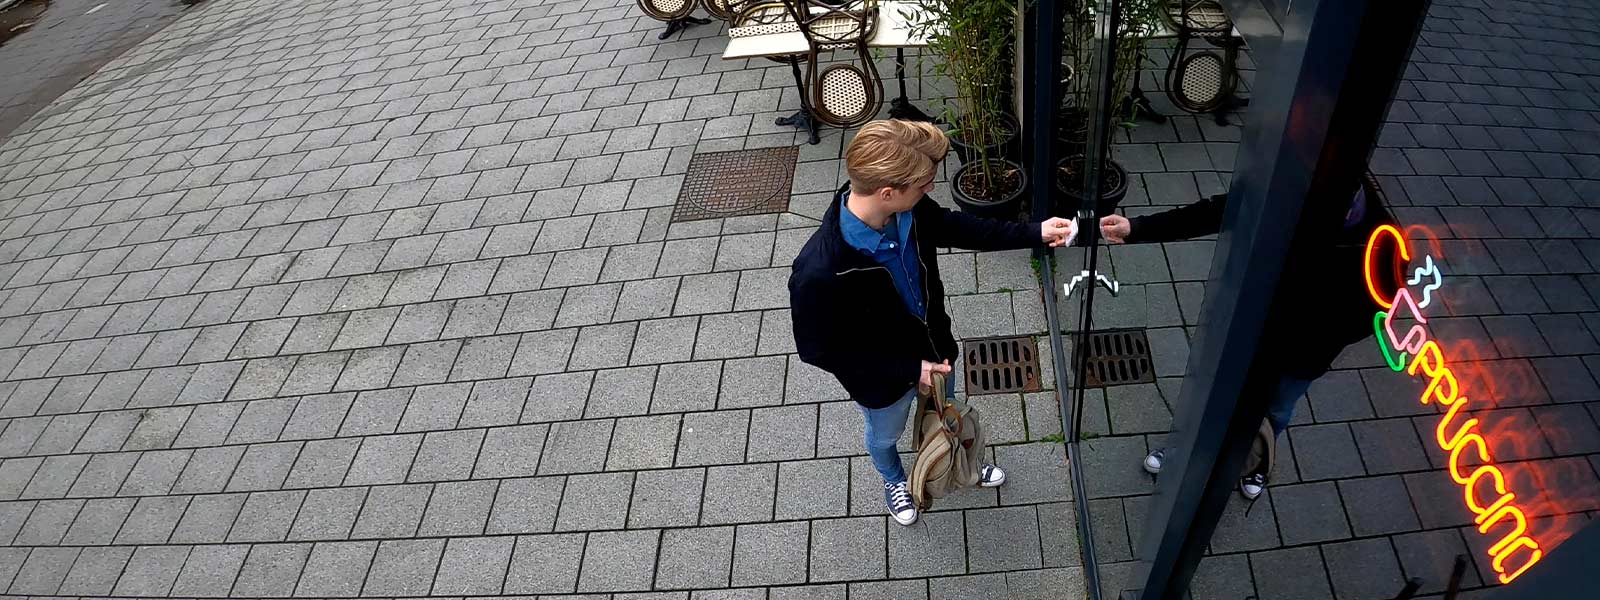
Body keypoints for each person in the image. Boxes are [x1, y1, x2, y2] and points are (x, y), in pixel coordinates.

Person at [789, 119, 1077, 526]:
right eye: (924, 185)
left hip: (937, 349)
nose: (931, 190)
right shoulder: (819, 271)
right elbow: (819, 350)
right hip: (884, 382)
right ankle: (894, 479)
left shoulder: (908, 212)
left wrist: (1034, 232)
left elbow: (957, 227)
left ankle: (958, 461)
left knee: (946, 412)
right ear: (888, 193)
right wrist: (909, 369)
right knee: (885, 434)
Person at [1100, 178, 1401, 499]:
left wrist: (1306, 330)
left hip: (1301, 353)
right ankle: (1183, 450)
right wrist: (1138, 228)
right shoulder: (1292, 188)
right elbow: (1220, 211)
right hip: (1248, 332)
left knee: (1277, 410)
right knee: (1212, 397)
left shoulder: (1382, 242)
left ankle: (1257, 459)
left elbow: (1369, 317)